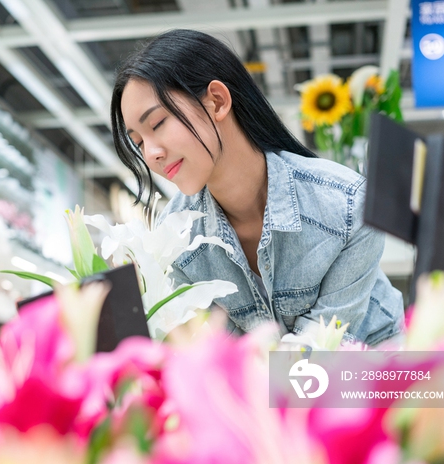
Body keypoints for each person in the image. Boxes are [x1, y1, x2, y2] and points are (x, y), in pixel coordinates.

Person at [110, 29, 404, 346]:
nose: (151, 153)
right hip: (264, 387)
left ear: (217, 101)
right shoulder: (177, 241)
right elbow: (223, 356)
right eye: (138, 142)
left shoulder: (346, 204)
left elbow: (326, 346)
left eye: (157, 123)